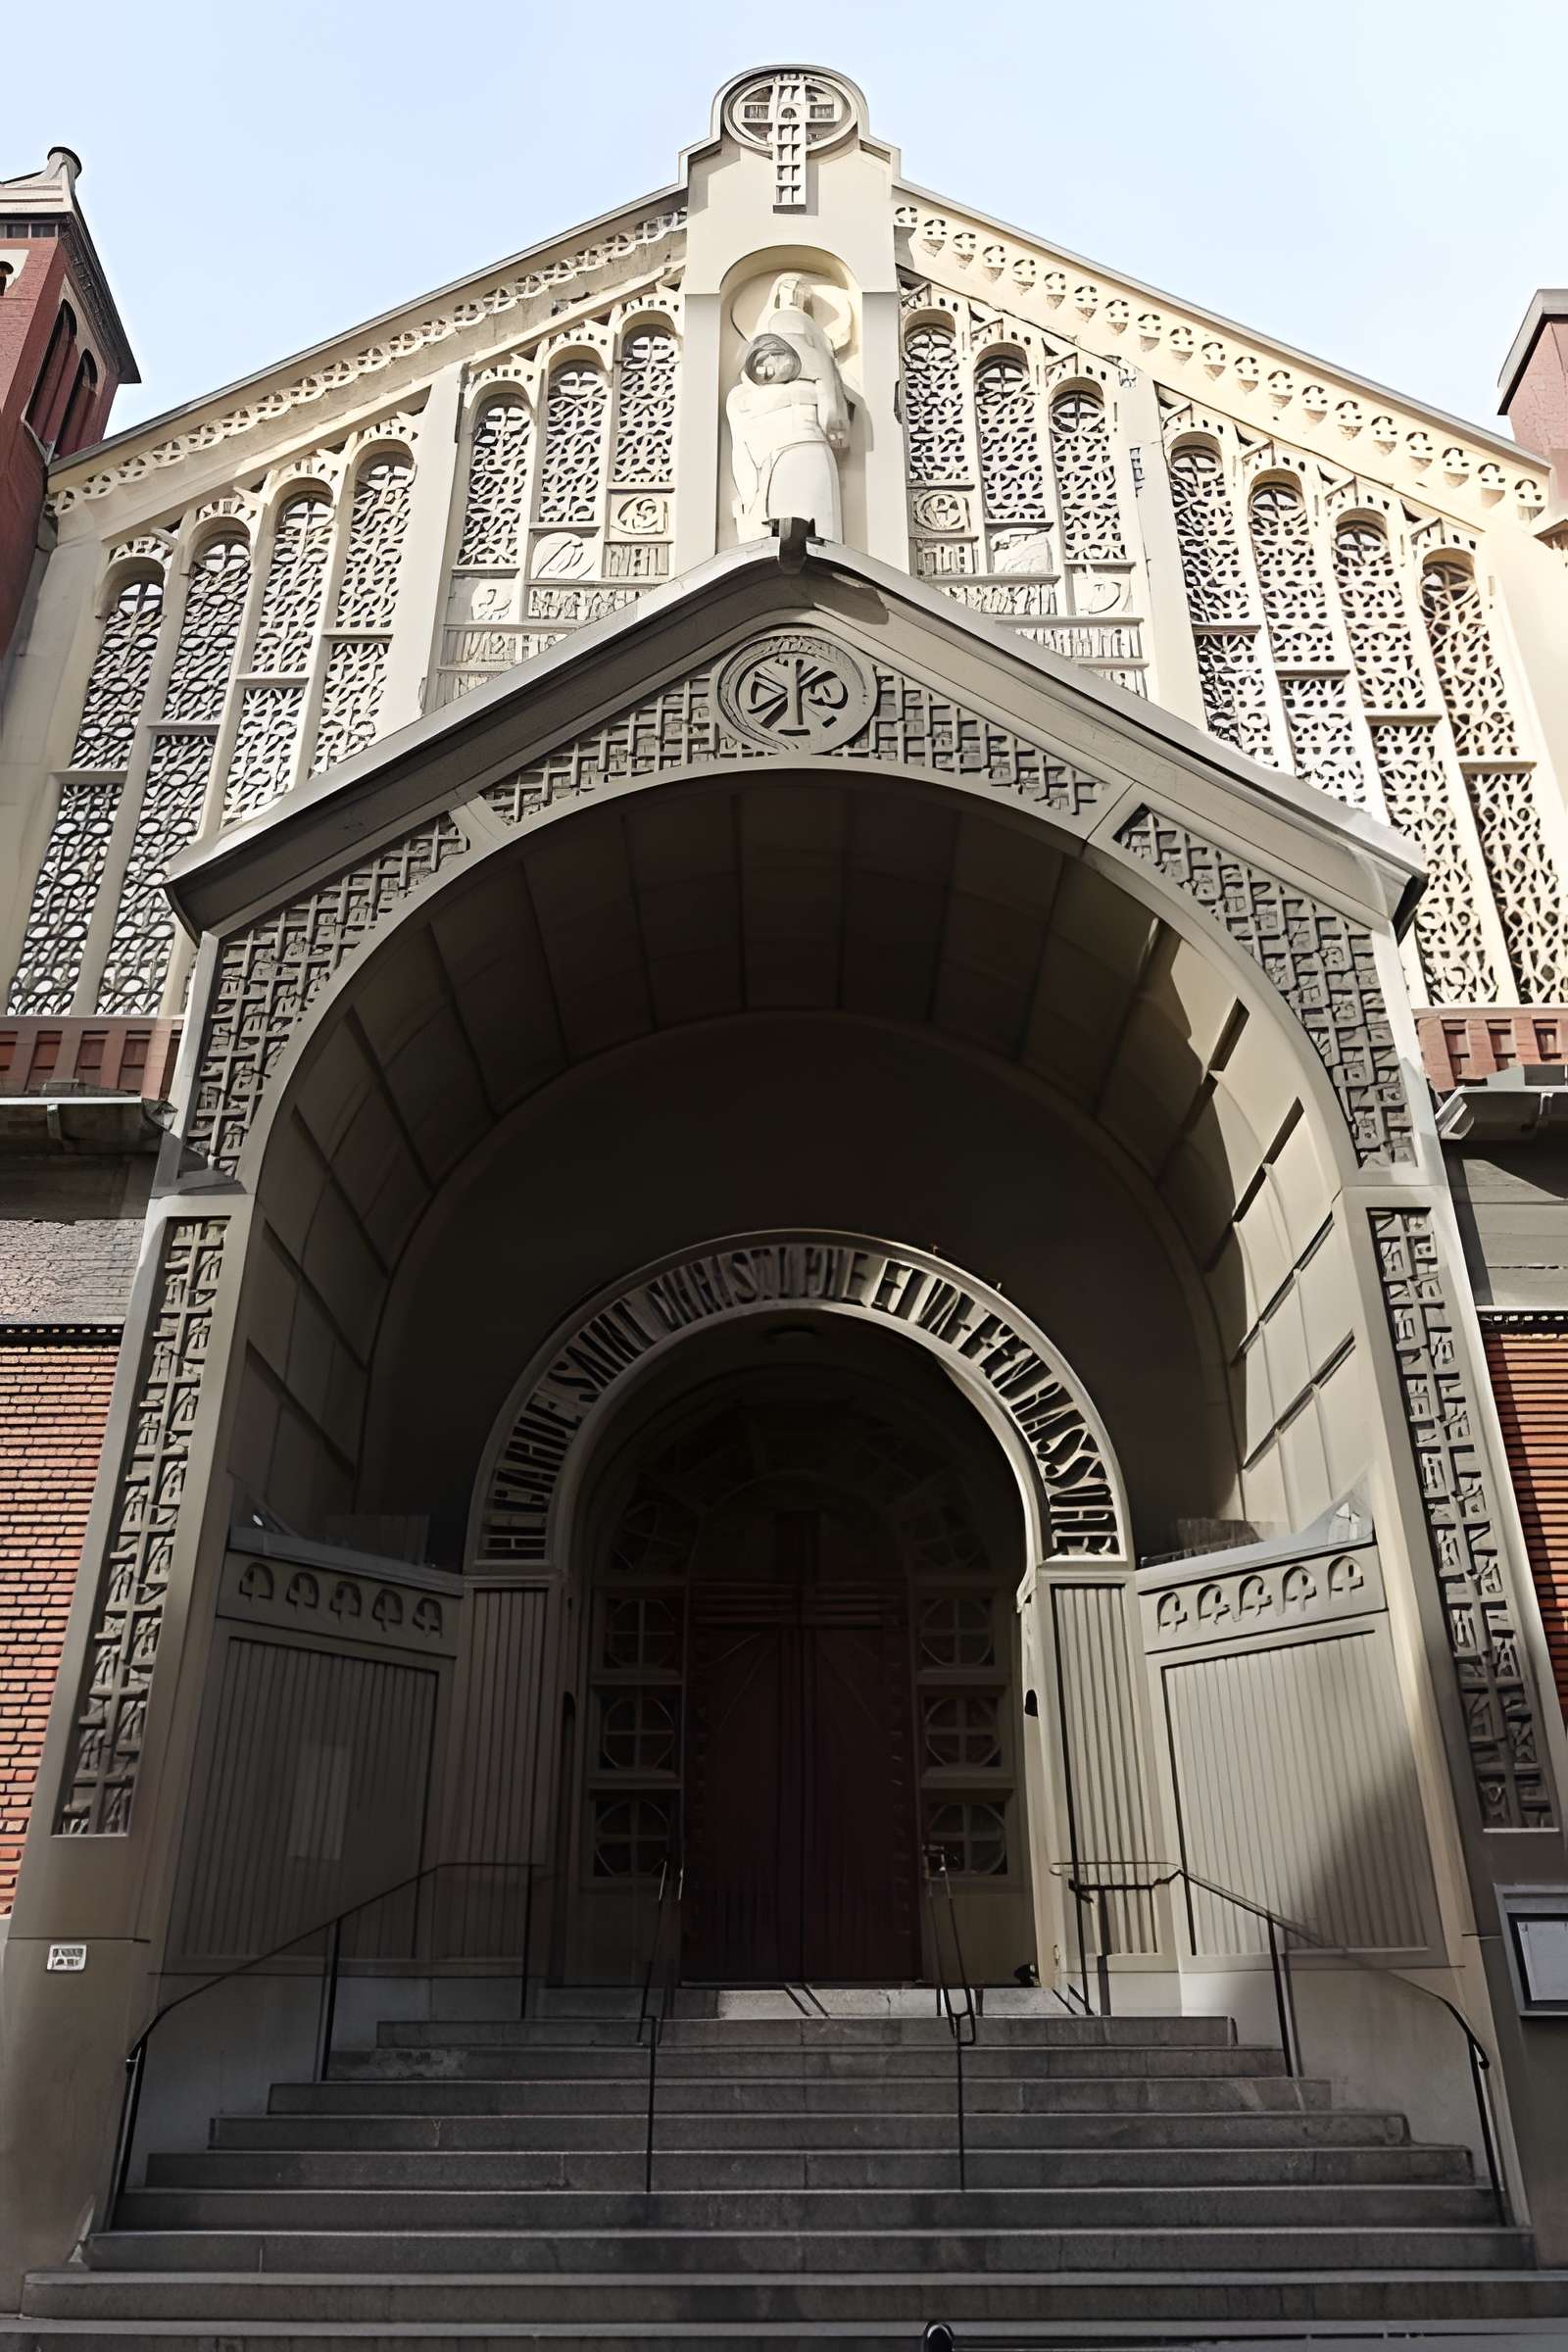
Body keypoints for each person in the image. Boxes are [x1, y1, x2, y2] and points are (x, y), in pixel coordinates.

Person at [727, 276, 850, 540]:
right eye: (763, 359)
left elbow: (824, 375)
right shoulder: (742, 399)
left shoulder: (807, 376)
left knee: (816, 528)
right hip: (774, 460)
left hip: (805, 448)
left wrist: (832, 415)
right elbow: (741, 451)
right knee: (777, 528)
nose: (768, 365)